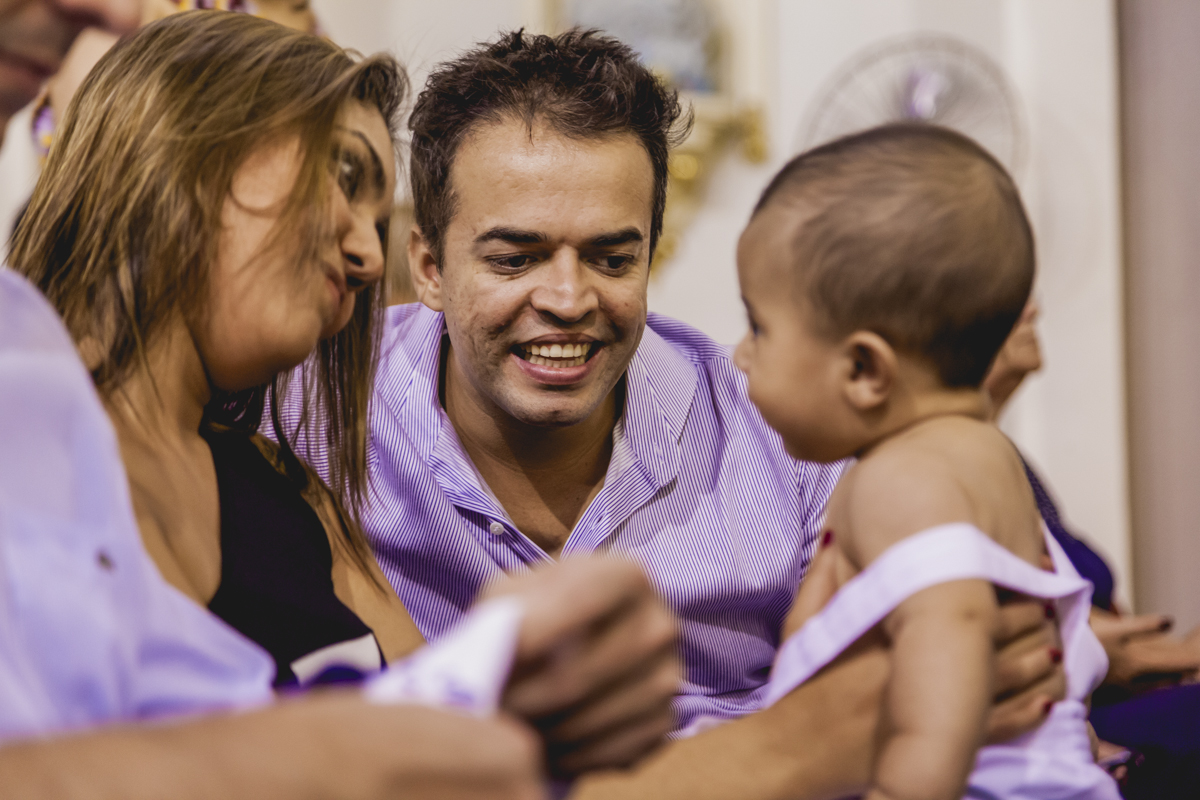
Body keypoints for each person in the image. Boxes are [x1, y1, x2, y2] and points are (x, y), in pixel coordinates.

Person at [288, 28, 1072, 798]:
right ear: (427, 265)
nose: (568, 300)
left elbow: (969, 663)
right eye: (515, 257)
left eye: (612, 257)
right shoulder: (313, 405)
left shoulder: (793, 431)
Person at [0, 6, 679, 797]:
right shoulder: (24, 420)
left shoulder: (292, 493)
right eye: (346, 177)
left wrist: (522, 680)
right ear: (189, 146)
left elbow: (444, 742)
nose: (364, 255)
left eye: (375, 216)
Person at [734, 122, 1118, 799]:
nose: (741, 354)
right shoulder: (986, 455)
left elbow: (955, 638)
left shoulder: (901, 480)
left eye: (759, 327)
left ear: (863, 369)